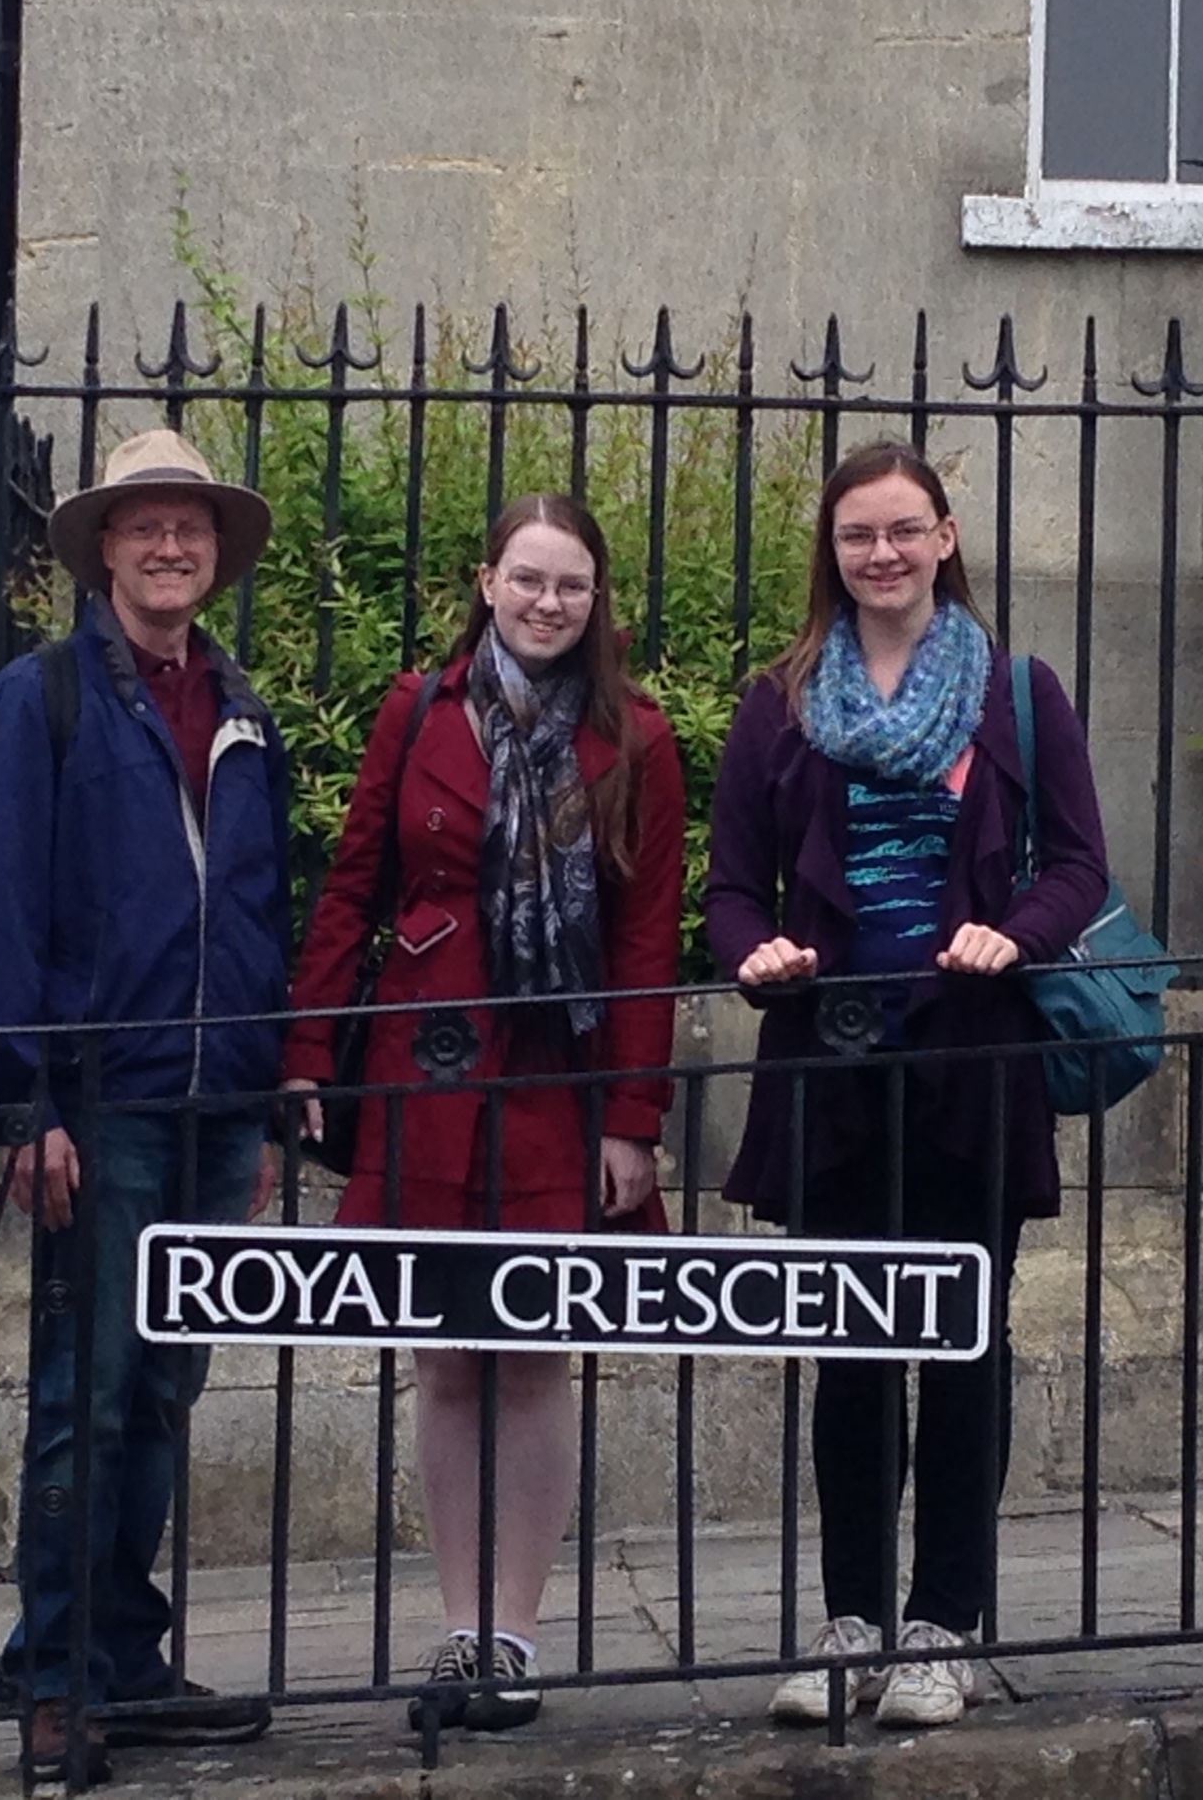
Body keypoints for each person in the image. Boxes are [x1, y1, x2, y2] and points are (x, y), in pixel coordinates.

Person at [704, 439, 1110, 1730]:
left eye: (902, 530)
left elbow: (1079, 866)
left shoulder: (1019, 693)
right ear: (833, 553)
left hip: (968, 1063)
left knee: (962, 1346)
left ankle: (946, 1625)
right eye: (856, 536)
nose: (880, 554)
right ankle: (852, 1623)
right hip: (830, 1062)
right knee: (849, 1353)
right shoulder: (779, 702)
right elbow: (730, 884)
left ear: (945, 537)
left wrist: (1019, 932)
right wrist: (751, 950)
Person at [282, 493, 686, 1732]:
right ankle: (459, 1633)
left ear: (596, 597)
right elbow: (353, 884)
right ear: (486, 580)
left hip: (555, 1074)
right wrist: (304, 1056)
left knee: (533, 1349)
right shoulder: (418, 712)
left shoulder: (642, 739)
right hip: (424, 1058)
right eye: (527, 579)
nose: (548, 602)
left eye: (571, 584)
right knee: (448, 1355)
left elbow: (641, 939)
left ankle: (512, 1635)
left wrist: (632, 1116)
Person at [0, 429, 290, 1782]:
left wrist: (257, 1104)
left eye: (189, 526)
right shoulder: (43, 701)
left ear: (214, 550)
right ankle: (57, 1674)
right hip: (103, 1103)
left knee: (160, 1391)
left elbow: (256, 912)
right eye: (143, 526)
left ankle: (125, 1661)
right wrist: (21, 1104)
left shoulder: (240, 706)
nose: (168, 546)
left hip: (211, 1107)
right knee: (85, 1392)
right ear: (101, 550)